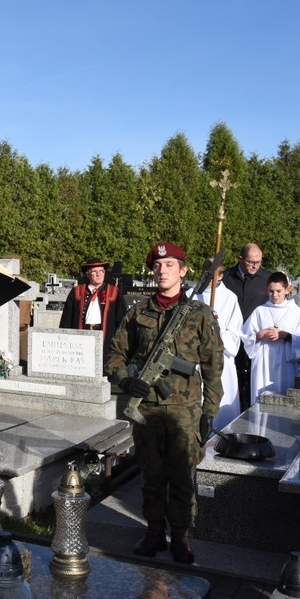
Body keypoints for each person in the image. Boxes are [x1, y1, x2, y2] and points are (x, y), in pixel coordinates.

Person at [106, 242, 222, 564]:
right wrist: (125, 380)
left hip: (186, 409)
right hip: (148, 408)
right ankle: (154, 531)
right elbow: (115, 354)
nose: (162, 271)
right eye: (157, 266)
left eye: (170, 265)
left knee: (183, 476)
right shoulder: (138, 312)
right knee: (152, 474)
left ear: (183, 271)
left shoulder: (199, 314)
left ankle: (181, 536)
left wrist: (210, 410)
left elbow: (213, 365)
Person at [187, 262, 243, 430]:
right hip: (196, 357)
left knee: (221, 402)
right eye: (206, 274)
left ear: (221, 276)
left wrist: (216, 337)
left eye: (213, 275)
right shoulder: (191, 295)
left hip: (221, 357)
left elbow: (235, 330)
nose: (209, 279)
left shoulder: (230, 298)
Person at [241, 272, 300, 404]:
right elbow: (246, 336)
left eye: (278, 291)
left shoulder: (295, 312)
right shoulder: (260, 310)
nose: (274, 295)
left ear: (287, 290)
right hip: (263, 361)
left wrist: (284, 335)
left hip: (285, 361)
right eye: (271, 291)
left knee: (284, 398)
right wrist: (260, 334)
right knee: (260, 399)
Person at [223, 243, 272, 412]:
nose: (255, 266)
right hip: (231, 337)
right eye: (251, 262)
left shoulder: (267, 279)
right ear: (240, 259)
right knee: (232, 379)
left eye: (258, 262)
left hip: (256, 339)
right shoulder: (227, 277)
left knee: (253, 379)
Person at [59, 257, 124, 370]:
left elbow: (121, 317)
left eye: (101, 271)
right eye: (94, 272)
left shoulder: (114, 292)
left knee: (101, 366)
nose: (99, 274)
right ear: (88, 274)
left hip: (105, 336)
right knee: (83, 364)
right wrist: (64, 338)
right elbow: (67, 318)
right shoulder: (77, 291)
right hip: (82, 333)